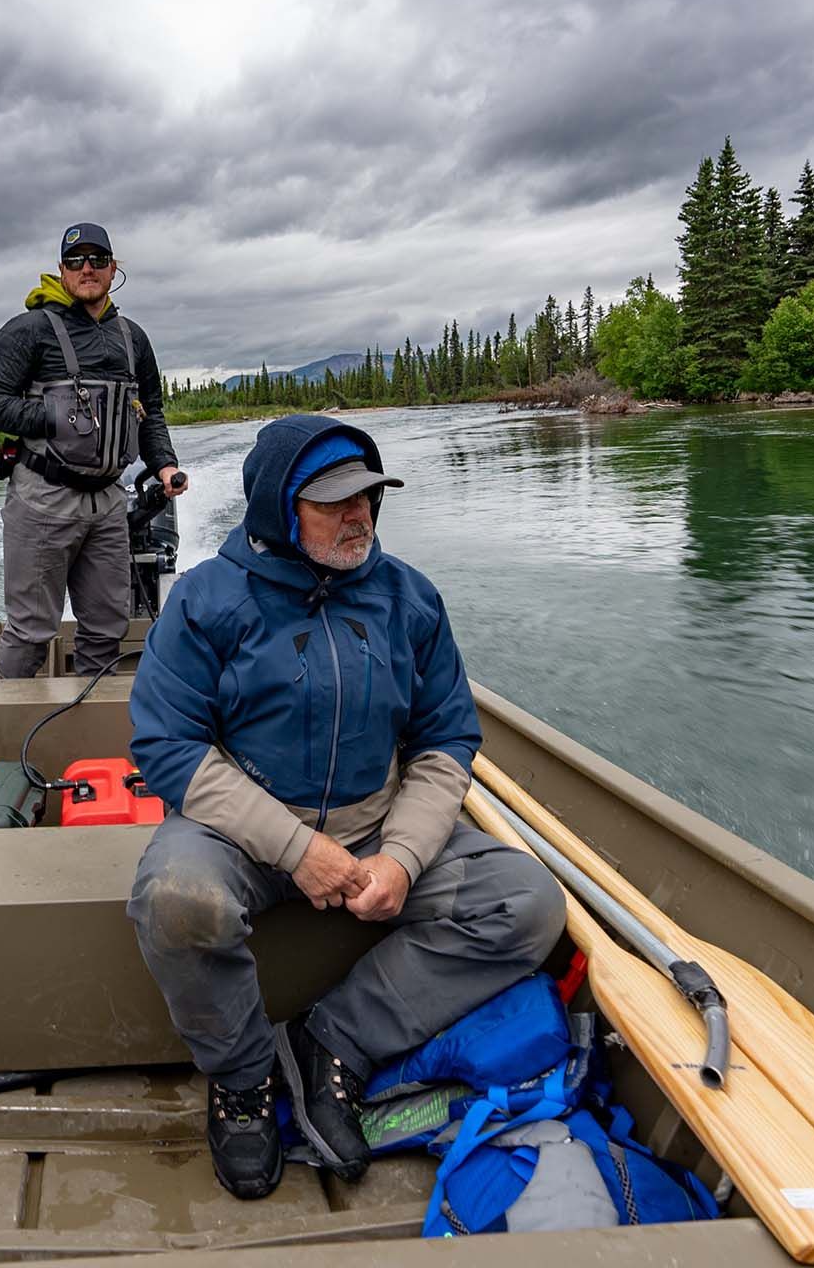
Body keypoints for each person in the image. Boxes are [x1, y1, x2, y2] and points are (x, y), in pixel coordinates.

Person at [126, 415, 566, 1200]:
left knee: (527, 905)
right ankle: (243, 1078)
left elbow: (445, 740)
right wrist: (299, 851)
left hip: (375, 822)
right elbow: (168, 749)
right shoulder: (205, 603)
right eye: (332, 502)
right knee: (177, 900)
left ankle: (334, 1039)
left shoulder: (409, 600)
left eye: (366, 496)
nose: (357, 514)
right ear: (277, 508)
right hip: (239, 834)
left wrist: (400, 856)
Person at [0, 223, 186, 677]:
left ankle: (88, 734)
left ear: (114, 269)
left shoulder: (133, 338)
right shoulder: (28, 329)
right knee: (32, 631)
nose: (86, 268)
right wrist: (51, 417)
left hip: (109, 503)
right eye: (75, 261)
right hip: (42, 499)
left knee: (106, 629)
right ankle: (6, 732)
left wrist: (165, 466)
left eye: (96, 259)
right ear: (61, 270)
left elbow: (150, 409)